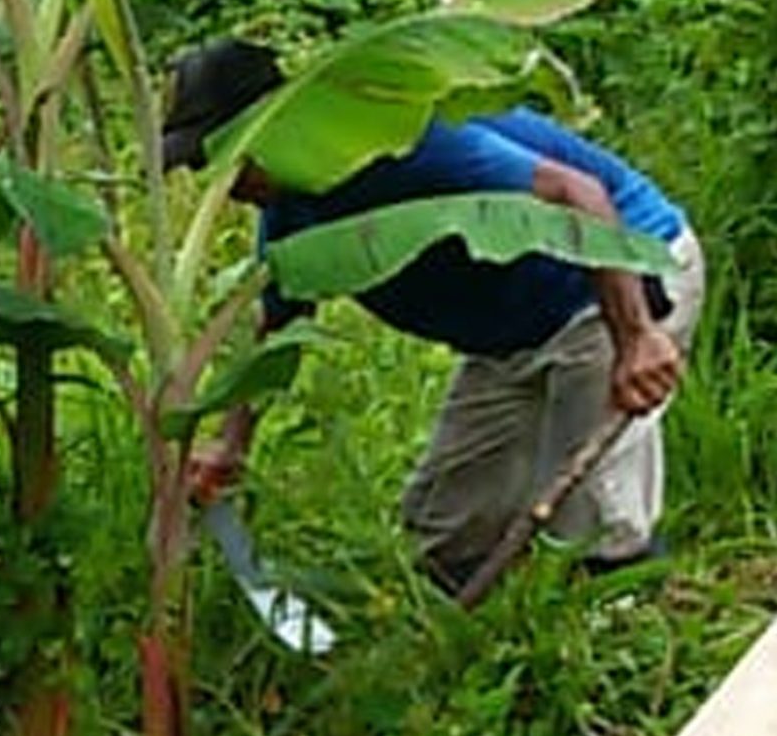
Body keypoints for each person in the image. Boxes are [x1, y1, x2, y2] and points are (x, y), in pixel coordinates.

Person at [162, 38, 702, 593]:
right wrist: (232, 443)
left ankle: (625, 633)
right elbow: (278, 323)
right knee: (445, 532)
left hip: (614, 278)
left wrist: (636, 335)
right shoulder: (290, 204)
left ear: (271, 121)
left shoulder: (397, 137)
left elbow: (576, 192)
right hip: (508, 334)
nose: (225, 182)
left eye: (226, 154)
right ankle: (489, 637)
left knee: (589, 520)